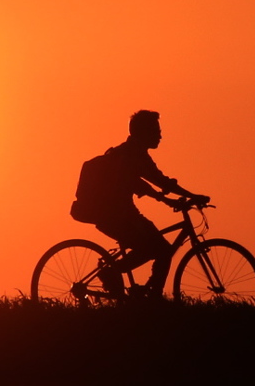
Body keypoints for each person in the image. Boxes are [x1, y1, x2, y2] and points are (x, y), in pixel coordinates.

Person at [70, 110, 209, 300]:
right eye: (156, 130)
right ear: (144, 132)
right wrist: (190, 196)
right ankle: (129, 283)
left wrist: (171, 199)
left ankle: (148, 293)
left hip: (123, 214)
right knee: (158, 249)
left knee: (160, 248)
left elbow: (153, 181)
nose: (160, 135)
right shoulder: (131, 154)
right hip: (115, 215)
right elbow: (156, 182)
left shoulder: (133, 153)